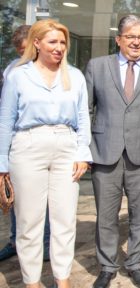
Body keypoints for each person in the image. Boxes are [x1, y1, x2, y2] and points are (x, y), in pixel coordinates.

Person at [0, 19, 91, 288]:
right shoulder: (18, 75)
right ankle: (32, 281)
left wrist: (82, 153)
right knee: (29, 222)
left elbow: (83, 117)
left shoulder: (74, 76)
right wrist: (2, 163)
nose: (59, 47)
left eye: (63, 42)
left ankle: (63, 280)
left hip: (66, 145)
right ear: (37, 43)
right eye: (53, 42)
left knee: (64, 220)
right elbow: (5, 121)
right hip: (27, 146)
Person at [85, 15, 140, 288]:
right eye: (131, 36)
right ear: (118, 39)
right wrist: (85, 148)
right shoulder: (97, 66)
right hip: (104, 151)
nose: (136, 42)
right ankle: (107, 266)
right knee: (106, 215)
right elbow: (86, 110)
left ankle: (136, 263)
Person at [0, 25, 51, 264]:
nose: (24, 54)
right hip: (17, 142)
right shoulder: (12, 70)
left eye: (27, 49)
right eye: (20, 51)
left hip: (44, 142)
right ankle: (15, 241)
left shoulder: (52, 69)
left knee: (45, 198)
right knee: (16, 195)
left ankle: (47, 244)